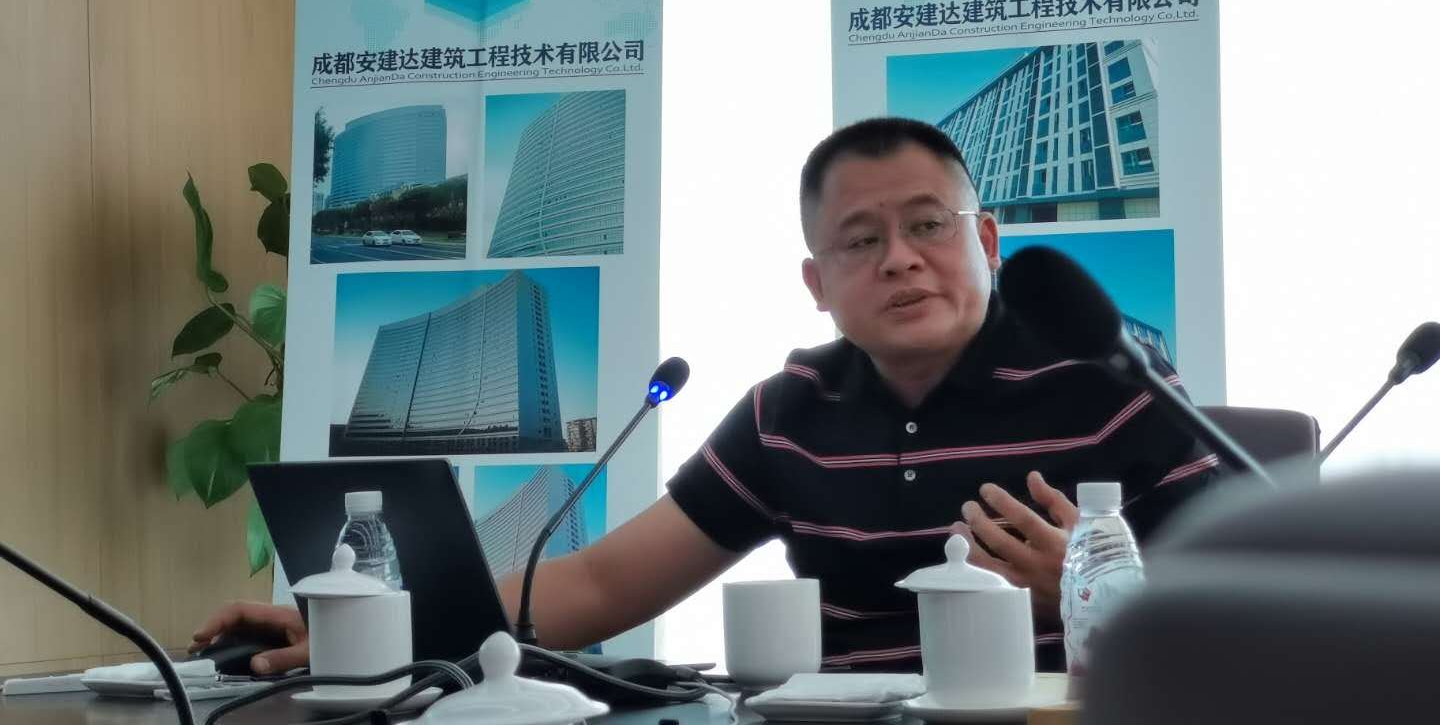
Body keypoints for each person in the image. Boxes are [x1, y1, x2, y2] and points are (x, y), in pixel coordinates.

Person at [192, 117, 1218, 674]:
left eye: (928, 226)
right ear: (817, 283)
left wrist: (1094, 594)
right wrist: (365, 624)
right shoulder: (791, 411)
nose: (900, 260)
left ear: (986, 241)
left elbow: (1259, 603)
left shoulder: (1108, 380)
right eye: (860, 240)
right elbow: (600, 587)